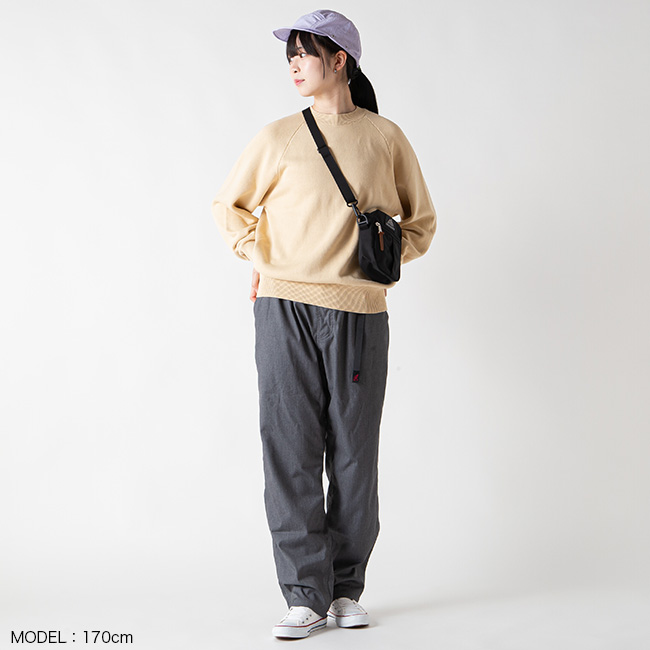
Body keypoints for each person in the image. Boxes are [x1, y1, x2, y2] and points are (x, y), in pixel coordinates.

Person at [211, 9, 437, 640]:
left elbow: (420, 223)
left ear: (340, 60)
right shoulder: (278, 136)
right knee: (290, 448)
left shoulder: (385, 137)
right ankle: (304, 595)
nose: (293, 64)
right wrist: (259, 257)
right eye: (289, 54)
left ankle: (344, 589)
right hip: (282, 308)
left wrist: (376, 264)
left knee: (355, 455)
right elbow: (229, 206)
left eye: (304, 53)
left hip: (360, 314)